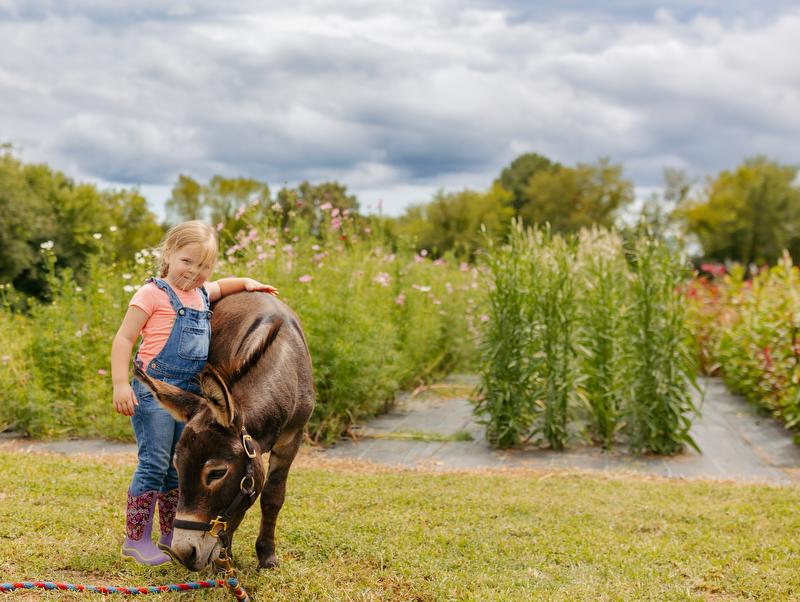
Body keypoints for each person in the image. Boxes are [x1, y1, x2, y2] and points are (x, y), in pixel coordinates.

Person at [111, 220, 277, 565]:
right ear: (168, 254)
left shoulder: (201, 293)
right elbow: (124, 338)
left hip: (188, 398)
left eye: (204, 266)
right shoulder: (152, 294)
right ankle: (136, 538)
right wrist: (119, 383)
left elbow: (221, 286)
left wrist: (247, 284)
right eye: (188, 261)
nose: (195, 272)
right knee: (154, 462)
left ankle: (172, 531)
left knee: (178, 466)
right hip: (155, 392)